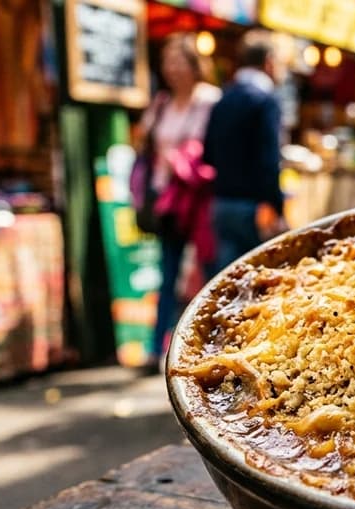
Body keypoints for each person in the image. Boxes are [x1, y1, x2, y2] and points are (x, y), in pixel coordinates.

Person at [137, 33, 220, 363]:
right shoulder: (161, 104)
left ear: (194, 64)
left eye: (178, 61)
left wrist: (182, 161)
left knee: (209, 270)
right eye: (166, 62)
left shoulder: (209, 100)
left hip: (200, 197)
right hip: (168, 198)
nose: (171, 68)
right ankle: (157, 347)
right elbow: (147, 143)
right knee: (168, 272)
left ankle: (211, 345)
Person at [202, 30, 286, 276]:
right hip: (254, 209)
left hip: (222, 204)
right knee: (259, 281)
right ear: (269, 61)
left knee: (228, 282)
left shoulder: (223, 98)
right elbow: (270, 160)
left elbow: (208, 154)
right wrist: (277, 207)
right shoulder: (265, 100)